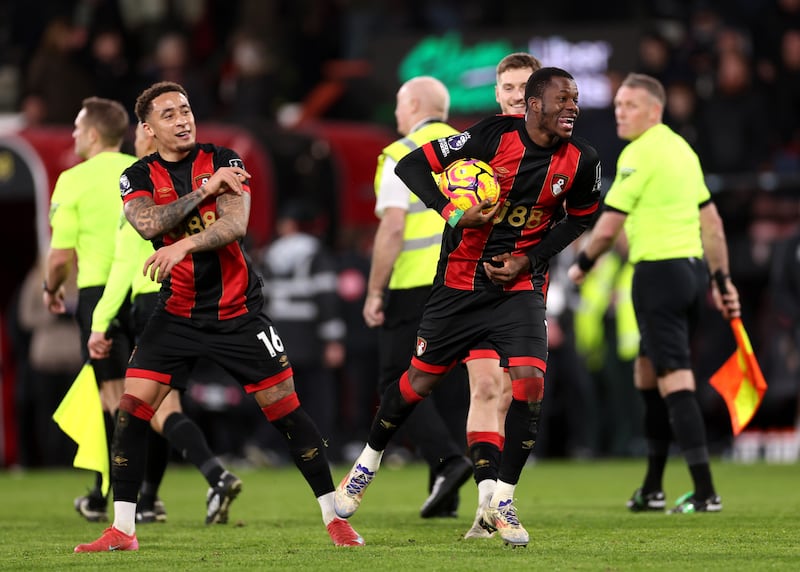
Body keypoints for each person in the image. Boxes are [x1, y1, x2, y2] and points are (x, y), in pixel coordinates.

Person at [74, 80, 364, 552]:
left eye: (185, 109)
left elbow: (236, 224)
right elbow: (148, 223)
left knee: (287, 414)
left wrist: (186, 240)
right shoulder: (136, 175)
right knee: (131, 411)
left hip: (237, 314)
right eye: (168, 114)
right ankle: (122, 530)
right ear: (147, 129)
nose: (182, 118)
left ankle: (335, 517)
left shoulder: (226, 158)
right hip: (178, 314)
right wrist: (204, 193)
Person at [337, 67, 602, 547]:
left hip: (518, 289)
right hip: (458, 287)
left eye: (576, 99)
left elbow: (581, 217)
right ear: (533, 105)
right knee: (415, 384)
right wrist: (454, 211)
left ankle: (501, 500)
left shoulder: (583, 159)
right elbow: (412, 165)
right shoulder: (489, 136)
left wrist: (529, 257)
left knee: (530, 383)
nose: (573, 107)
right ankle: (367, 462)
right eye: (563, 99)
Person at [567, 73, 740, 514]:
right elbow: (713, 224)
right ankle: (653, 487)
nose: (620, 111)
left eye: (630, 105)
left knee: (673, 378)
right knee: (648, 377)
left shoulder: (638, 154)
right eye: (619, 104)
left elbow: (608, 225)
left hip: (657, 275)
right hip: (691, 273)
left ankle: (705, 492)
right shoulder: (683, 151)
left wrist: (581, 266)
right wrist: (721, 282)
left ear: (654, 111)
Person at [87, 122, 241, 525]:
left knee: (136, 406)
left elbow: (123, 266)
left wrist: (100, 321)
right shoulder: (183, 186)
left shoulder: (140, 200)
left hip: (153, 300)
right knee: (161, 406)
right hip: (201, 296)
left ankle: (212, 475)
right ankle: (152, 498)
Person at [362, 75, 472, 519]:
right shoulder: (471, 148)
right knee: (448, 385)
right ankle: (445, 491)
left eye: (397, 105)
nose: (394, 115)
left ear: (411, 104)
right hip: (464, 283)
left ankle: (447, 464)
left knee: (396, 382)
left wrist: (374, 290)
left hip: (415, 285)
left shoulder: (401, 153)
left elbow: (393, 227)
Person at [43, 96, 137, 522]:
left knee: (113, 399)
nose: (74, 135)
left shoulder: (73, 179)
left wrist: (51, 288)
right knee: (153, 395)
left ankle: (115, 497)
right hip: (148, 289)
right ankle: (143, 492)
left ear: (94, 134)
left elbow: (61, 255)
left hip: (100, 294)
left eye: (78, 128)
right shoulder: (141, 172)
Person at [461, 51, 542, 539]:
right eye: (509, 87)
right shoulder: (481, 142)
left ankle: (498, 500)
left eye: (525, 87)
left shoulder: (559, 147)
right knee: (486, 387)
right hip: (476, 284)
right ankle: (485, 505)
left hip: (528, 283)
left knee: (512, 394)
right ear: (497, 93)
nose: (516, 95)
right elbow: (455, 205)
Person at [256, 201, 346, 463]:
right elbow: (326, 297)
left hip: (280, 334)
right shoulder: (316, 252)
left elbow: (262, 298)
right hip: (311, 335)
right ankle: (322, 447)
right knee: (319, 396)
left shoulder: (271, 253)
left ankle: (278, 448)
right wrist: (334, 340)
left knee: (284, 395)